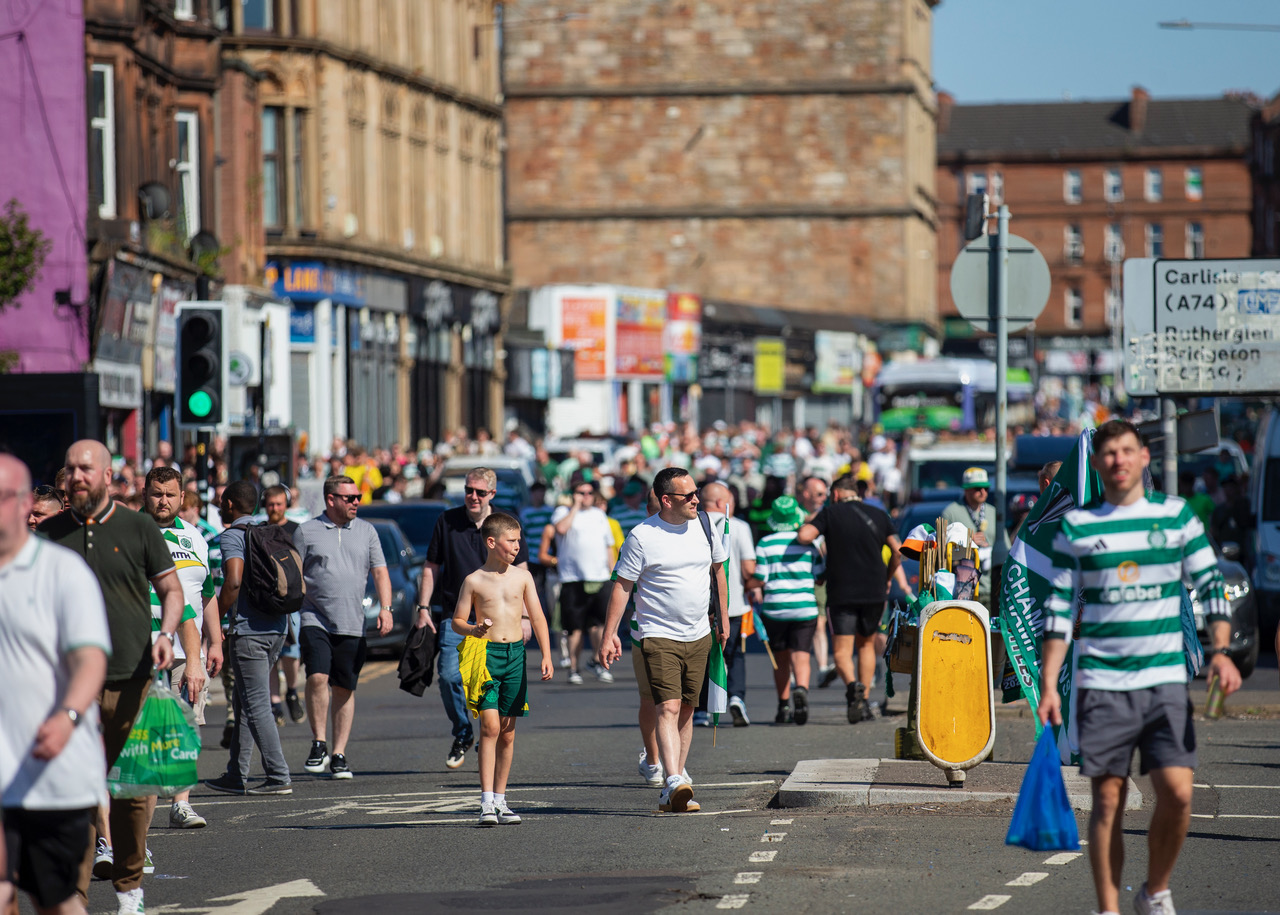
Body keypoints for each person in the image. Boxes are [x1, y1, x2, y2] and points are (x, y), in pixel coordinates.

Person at [1038, 419, 1241, 915]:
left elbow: (1210, 583)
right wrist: (1049, 683)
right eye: (1110, 453)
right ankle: (1108, 908)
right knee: (1108, 801)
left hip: (1163, 682)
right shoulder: (1078, 527)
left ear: (1144, 457)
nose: (1119, 461)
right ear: (1097, 462)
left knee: (1178, 794)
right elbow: (1059, 611)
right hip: (1102, 684)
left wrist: (1220, 651)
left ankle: (1155, 890)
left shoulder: (1176, 517)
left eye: (1128, 451)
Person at [39, 441, 184, 915]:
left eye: (86, 468)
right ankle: (75, 896)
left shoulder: (138, 527)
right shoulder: (50, 534)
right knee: (75, 789)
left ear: (107, 475)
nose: (77, 476)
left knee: (131, 790)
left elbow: (172, 589)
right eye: (70, 469)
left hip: (131, 677)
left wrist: (166, 634)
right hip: (67, 684)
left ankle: (130, 889)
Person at [0, 455, 110, 915]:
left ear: (24, 503)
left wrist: (67, 717)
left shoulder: (62, 570)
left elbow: (90, 658)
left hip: (50, 771)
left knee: (53, 900)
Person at [601, 467, 729, 814]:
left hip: (699, 633)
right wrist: (609, 634)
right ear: (667, 500)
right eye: (689, 495)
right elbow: (622, 585)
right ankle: (673, 779)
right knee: (668, 707)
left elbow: (719, 570)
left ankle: (673, 785)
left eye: (697, 492)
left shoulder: (706, 525)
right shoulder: (642, 536)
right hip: (657, 634)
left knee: (687, 709)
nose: (697, 500)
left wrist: (724, 618)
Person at [418, 468, 529, 769]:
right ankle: (463, 731)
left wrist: (525, 617)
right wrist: (423, 607)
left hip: (498, 623)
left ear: (492, 493)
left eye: (480, 492)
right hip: (457, 618)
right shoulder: (447, 521)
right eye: (469, 490)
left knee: (491, 683)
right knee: (449, 677)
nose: (473, 496)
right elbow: (431, 566)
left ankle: (487, 732)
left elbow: (522, 570)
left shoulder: (505, 523)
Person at [451, 513, 554, 826]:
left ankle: (501, 799)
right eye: (511, 541)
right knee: (490, 727)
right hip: (486, 657)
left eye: (519, 540)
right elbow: (457, 621)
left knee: (508, 733)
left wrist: (546, 655)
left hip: (516, 656)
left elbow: (537, 616)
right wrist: (473, 629)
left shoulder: (522, 578)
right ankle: (485, 802)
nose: (517, 546)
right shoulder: (474, 580)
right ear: (492, 542)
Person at [295, 476, 392, 779]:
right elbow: (294, 574)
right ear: (331, 499)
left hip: (352, 621)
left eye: (357, 497)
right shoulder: (306, 531)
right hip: (314, 617)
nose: (356, 502)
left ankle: (339, 754)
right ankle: (318, 742)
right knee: (317, 676)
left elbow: (380, 571)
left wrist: (386, 608)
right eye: (349, 498)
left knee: (344, 687)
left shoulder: (367, 531)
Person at [141, 467, 222, 830]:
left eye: (170, 495)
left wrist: (214, 642)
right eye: (157, 493)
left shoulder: (195, 537)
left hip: (187, 651)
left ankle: (181, 804)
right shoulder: (131, 532)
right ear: (146, 494)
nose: (163, 501)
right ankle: (137, 817)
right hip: (142, 649)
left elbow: (206, 593)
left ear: (181, 497)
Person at [203, 481, 293, 797]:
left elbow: (233, 582)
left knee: (256, 705)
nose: (219, 506)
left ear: (229, 504)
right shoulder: (267, 531)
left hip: (249, 631)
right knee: (244, 702)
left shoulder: (233, 536)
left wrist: (214, 619)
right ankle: (235, 774)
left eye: (221, 501)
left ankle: (278, 775)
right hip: (277, 627)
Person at [796, 473, 902, 724]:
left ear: (835, 494)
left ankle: (853, 685)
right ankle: (863, 701)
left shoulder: (830, 513)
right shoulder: (878, 514)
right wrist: (888, 578)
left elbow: (805, 536)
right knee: (866, 645)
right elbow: (898, 550)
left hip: (841, 592)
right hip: (874, 590)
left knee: (842, 650)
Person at [752, 495, 824, 725]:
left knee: (780, 659)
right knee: (801, 655)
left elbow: (760, 578)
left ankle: (783, 706)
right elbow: (820, 576)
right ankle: (801, 689)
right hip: (804, 608)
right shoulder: (809, 545)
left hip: (775, 609)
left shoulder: (765, 544)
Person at [695, 482, 756, 727]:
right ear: (722, 502)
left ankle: (701, 709)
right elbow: (749, 568)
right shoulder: (739, 526)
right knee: (734, 655)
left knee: (701, 656)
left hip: (700, 606)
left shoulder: (691, 525)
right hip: (733, 604)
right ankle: (736, 697)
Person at [551, 479, 617, 684]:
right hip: (573, 579)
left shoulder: (599, 515)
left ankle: (598, 662)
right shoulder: (562, 512)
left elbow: (608, 545)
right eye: (581, 492)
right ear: (573, 494)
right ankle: (573, 668)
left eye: (589, 493)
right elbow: (561, 529)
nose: (586, 496)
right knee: (574, 628)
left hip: (600, 577)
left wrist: (613, 574)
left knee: (600, 625)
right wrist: (575, 507)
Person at [261, 485, 304, 727]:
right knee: (271, 656)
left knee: (291, 653)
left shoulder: (296, 530)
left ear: (286, 504)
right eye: (271, 504)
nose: (275, 508)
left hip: (291, 600)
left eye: (279, 504)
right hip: (267, 599)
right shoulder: (260, 530)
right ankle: (275, 702)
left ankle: (292, 692)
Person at [796, 476, 834, 686]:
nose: (823, 498)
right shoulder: (795, 514)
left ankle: (822, 668)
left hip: (818, 575)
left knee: (820, 621)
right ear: (806, 494)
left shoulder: (826, 514)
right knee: (797, 623)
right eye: (819, 494)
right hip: (797, 574)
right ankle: (795, 671)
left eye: (825, 494)